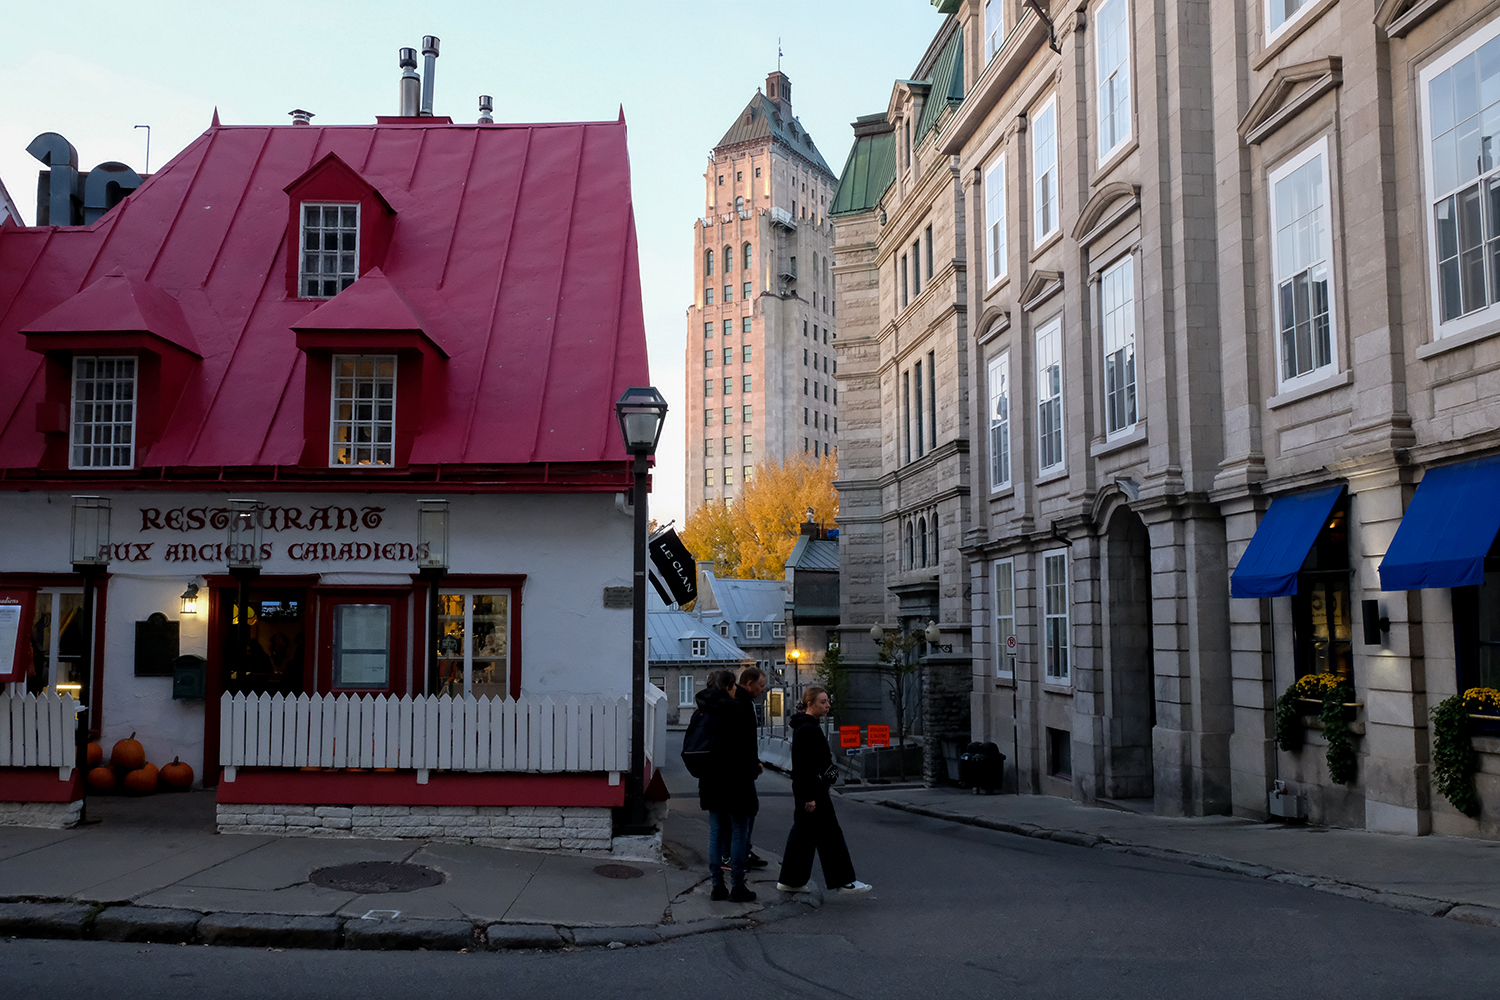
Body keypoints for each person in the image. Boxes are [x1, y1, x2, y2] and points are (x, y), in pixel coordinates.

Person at [775, 686, 871, 895]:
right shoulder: (808, 729)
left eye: (828, 701)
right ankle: (844, 881)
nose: (827, 705)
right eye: (822, 702)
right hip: (814, 792)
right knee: (830, 835)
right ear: (810, 704)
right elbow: (805, 765)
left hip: (811, 790)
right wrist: (809, 795)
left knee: (803, 837)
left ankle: (791, 881)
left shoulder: (807, 727)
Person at [690, 669, 759, 902]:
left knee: (715, 833)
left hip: (710, 781)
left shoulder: (701, 712)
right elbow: (746, 748)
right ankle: (738, 886)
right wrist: (753, 769)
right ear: (729, 687)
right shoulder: (736, 711)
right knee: (739, 832)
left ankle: (717, 886)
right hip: (736, 782)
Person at [733, 666, 769, 870]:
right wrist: (751, 763)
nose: (763, 690)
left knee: (747, 811)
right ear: (749, 684)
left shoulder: (742, 702)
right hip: (742, 771)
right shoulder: (742, 704)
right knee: (745, 812)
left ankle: (742, 851)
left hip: (744, 767)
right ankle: (740, 855)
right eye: (761, 685)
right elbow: (744, 740)